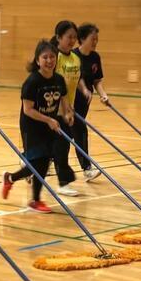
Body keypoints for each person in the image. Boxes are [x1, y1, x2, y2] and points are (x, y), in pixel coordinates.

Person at [1, 40, 74, 213]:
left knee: (42, 162)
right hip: (31, 126)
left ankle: (11, 179)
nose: (49, 60)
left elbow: (65, 103)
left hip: (48, 125)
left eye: (52, 57)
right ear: (37, 60)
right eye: (45, 57)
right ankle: (34, 200)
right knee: (38, 163)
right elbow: (28, 110)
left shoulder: (59, 79)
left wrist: (68, 115)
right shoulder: (32, 82)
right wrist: (48, 120)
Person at [50, 20, 92, 196]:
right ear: (59, 37)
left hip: (68, 109)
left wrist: (71, 107)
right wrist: (64, 108)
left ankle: (28, 162)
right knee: (58, 146)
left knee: (62, 145)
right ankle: (63, 183)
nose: (72, 40)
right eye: (69, 37)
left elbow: (74, 84)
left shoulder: (75, 58)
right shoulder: (53, 57)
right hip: (52, 110)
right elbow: (54, 85)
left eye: (75, 37)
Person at [73, 23, 109, 180]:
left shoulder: (95, 57)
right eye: (92, 39)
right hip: (69, 99)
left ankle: (31, 162)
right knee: (77, 131)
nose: (95, 42)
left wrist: (103, 95)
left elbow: (97, 80)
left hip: (84, 101)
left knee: (76, 131)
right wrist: (84, 90)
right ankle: (87, 168)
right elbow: (75, 78)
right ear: (82, 39)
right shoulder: (73, 56)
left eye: (97, 39)